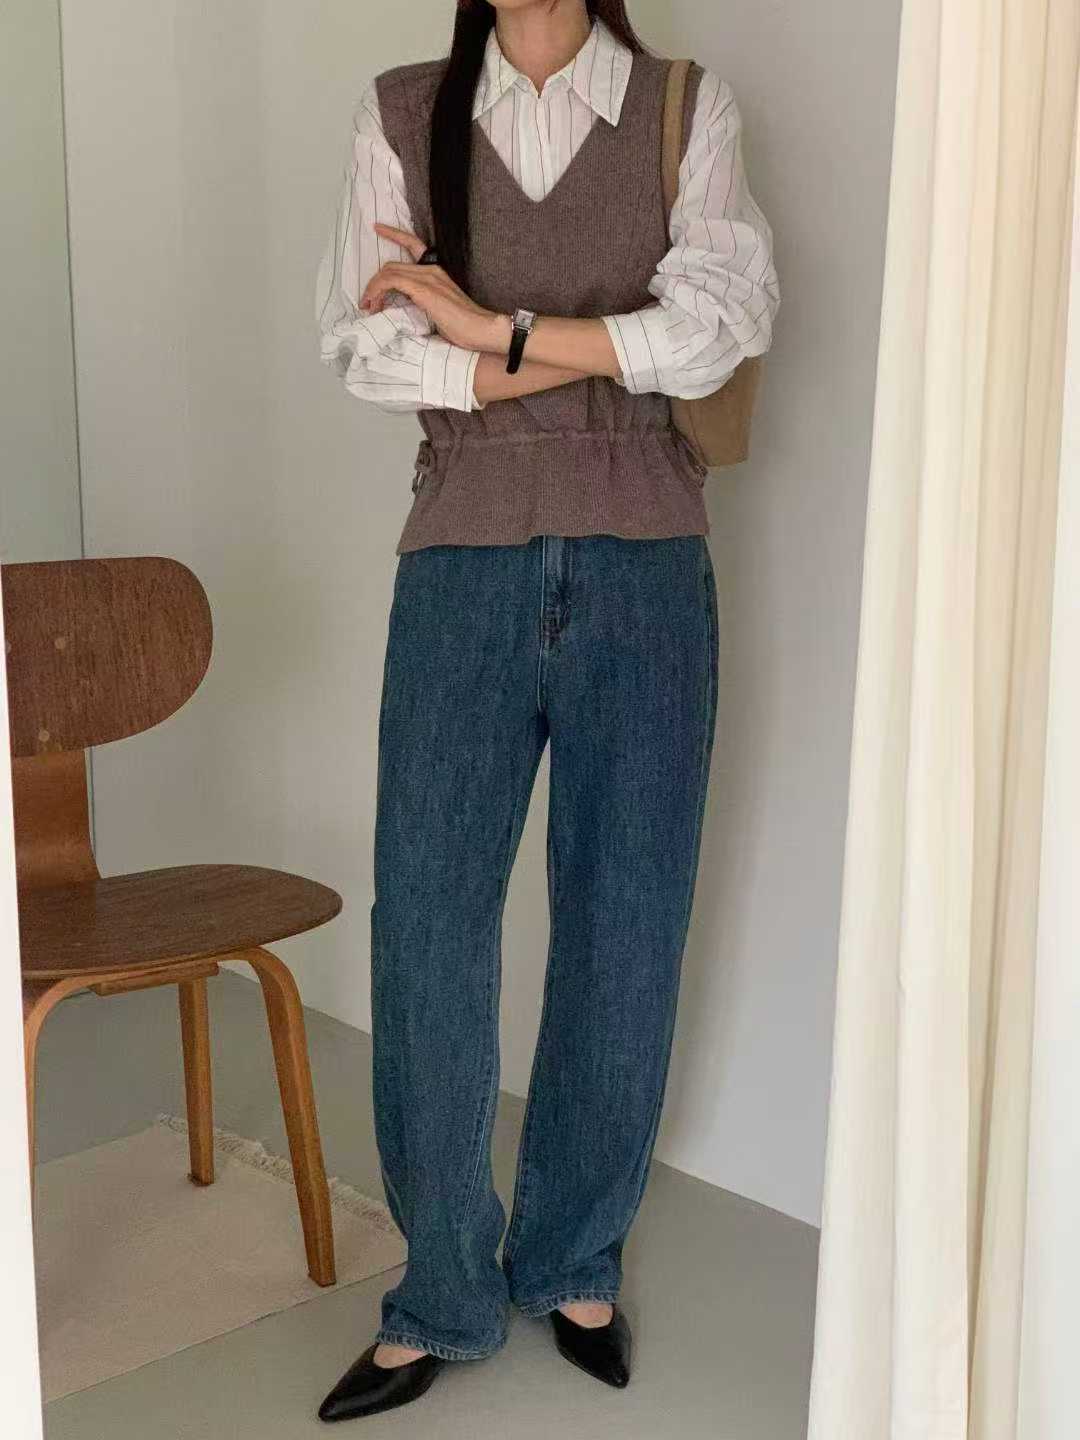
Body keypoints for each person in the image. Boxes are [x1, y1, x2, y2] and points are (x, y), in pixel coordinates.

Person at [313, 0, 778, 1422]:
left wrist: (486, 328)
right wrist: (583, 348)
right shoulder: (402, 113)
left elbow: (725, 329)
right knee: (428, 920)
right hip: (461, 557)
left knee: (626, 917)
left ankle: (574, 1256)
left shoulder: (685, 106)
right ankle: (443, 1288)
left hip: (648, 563)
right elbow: (364, 348)